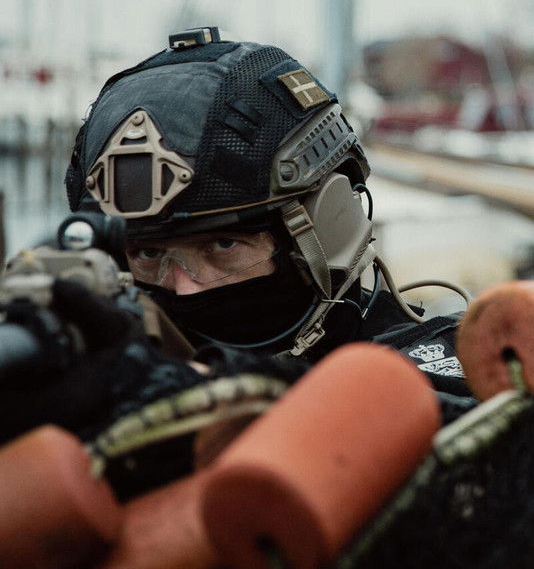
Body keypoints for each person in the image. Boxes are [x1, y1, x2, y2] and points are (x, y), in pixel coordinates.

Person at [62, 27, 470, 402]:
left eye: (223, 245)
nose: (183, 291)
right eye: (148, 254)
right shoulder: (105, 373)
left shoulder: (437, 373)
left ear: (327, 234)